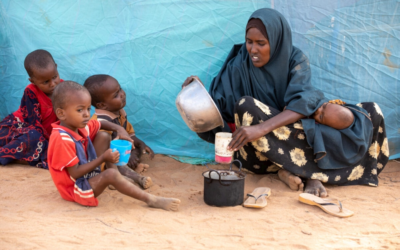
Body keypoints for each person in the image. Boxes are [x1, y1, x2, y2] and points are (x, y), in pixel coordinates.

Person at [183, 8, 388, 197]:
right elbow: (219, 110)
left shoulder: (295, 60)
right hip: (257, 153)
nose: (253, 50)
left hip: (293, 133)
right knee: (246, 106)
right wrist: (198, 93)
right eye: (249, 41)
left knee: (371, 112)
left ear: (277, 40)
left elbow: (303, 103)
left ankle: (289, 170)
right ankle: (308, 174)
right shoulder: (240, 64)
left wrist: (262, 128)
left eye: (261, 43)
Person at [48, 81, 180, 211]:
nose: (86, 114)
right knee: (110, 174)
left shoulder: (78, 127)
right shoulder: (62, 139)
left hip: (87, 175)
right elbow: (75, 173)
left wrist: (120, 129)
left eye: (88, 109)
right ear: (61, 113)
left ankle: (118, 177)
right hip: (76, 188)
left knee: (104, 136)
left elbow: (100, 123)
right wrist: (103, 158)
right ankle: (151, 199)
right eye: (79, 110)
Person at [83, 74, 154, 189]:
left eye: (120, 89)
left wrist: (141, 143)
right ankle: (134, 178)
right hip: (104, 159)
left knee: (137, 149)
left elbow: (128, 133)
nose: (122, 94)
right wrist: (125, 156)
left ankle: (129, 167)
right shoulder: (101, 121)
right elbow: (102, 149)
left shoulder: (120, 112)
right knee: (119, 164)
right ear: (102, 105)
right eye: (116, 95)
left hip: (118, 152)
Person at [0, 49, 63, 168]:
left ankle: (21, 154)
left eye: (55, 77)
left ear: (56, 67)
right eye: (45, 82)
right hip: (18, 128)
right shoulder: (31, 92)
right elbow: (33, 124)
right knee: (33, 136)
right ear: (33, 81)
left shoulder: (65, 90)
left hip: (40, 137)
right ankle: (3, 154)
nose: (53, 84)